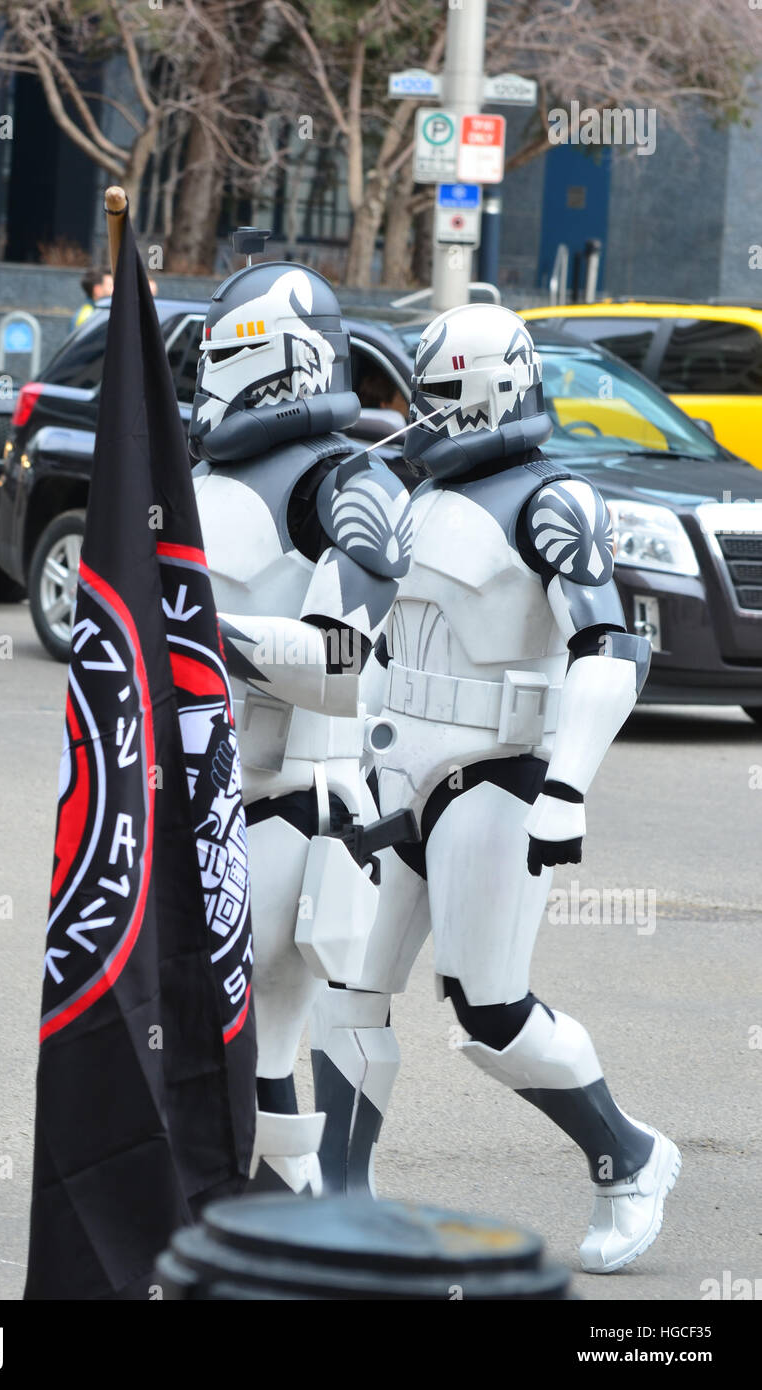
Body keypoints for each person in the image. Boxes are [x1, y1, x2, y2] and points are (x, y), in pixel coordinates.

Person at [340, 303, 680, 1273]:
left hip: (498, 771)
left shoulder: (553, 500)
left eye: (444, 396)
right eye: (422, 396)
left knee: (489, 1015)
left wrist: (567, 784)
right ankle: (338, 1202)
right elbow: (380, 645)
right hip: (398, 762)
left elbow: (610, 646)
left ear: (493, 389)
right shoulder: (409, 494)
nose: (426, 415)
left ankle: (625, 1152)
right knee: (346, 989)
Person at [188, 254, 414, 1193]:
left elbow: (343, 667)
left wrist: (205, 631)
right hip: (199, 802)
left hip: (294, 802)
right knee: (219, 1041)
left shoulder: (344, 489)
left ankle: (292, 1230)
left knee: (260, 1044)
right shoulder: (201, 479)